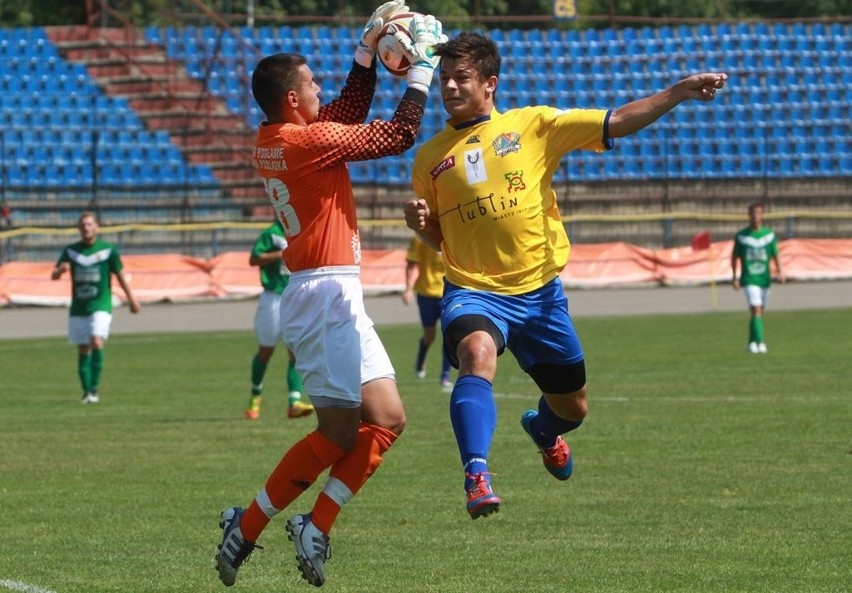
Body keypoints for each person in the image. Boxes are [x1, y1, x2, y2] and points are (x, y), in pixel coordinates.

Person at [404, 32, 727, 519]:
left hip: (540, 296)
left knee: (573, 408)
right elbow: (442, 241)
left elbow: (615, 120)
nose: (448, 86)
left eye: (461, 78)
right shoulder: (430, 158)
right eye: (444, 78)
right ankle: (476, 474)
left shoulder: (534, 125)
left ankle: (544, 430)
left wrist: (677, 93)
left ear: (489, 83)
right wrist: (422, 228)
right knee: (476, 355)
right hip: (474, 289)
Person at [215, 3, 445, 588]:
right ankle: (246, 524)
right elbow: (397, 133)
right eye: (311, 82)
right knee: (338, 433)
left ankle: (313, 525)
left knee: (388, 420)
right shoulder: (303, 142)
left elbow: (343, 111)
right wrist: (420, 70)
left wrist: (367, 52)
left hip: (334, 292)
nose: (320, 88)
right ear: (293, 100)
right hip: (322, 297)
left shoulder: (281, 136)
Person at [51, 211, 140, 403]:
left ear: (96, 226)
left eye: (90, 224)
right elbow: (54, 275)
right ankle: (87, 392)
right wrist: (60, 270)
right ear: (78, 228)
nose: (86, 228)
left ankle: (94, 388)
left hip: (100, 303)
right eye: (83, 224)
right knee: (83, 349)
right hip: (79, 306)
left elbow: (120, 275)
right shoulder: (71, 251)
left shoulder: (107, 250)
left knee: (96, 341)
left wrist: (131, 299)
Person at [245, 219, 314, 420]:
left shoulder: (303, 229)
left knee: (295, 351)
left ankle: (294, 402)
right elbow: (254, 259)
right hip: (273, 297)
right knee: (266, 350)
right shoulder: (272, 233)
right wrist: (279, 254)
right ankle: (255, 396)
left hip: (296, 296)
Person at [731, 202, 785, 353]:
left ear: (762, 215)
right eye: (753, 213)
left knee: (759, 311)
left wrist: (781, 271)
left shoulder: (768, 235)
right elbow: (734, 257)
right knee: (756, 309)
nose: (756, 216)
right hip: (749, 279)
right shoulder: (742, 236)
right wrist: (735, 277)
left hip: (764, 279)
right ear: (749, 215)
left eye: (759, 213)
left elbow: (776, 254)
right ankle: (760, 343)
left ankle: (751, 343)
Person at [402, 234, 453, 390]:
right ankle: (421, 359)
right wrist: (408, 288)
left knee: (449, 336)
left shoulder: (454, 232)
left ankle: (445, 376)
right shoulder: (420, 236)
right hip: (426, 293)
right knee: (429, 336)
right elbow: (411, 264)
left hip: (449, 293)